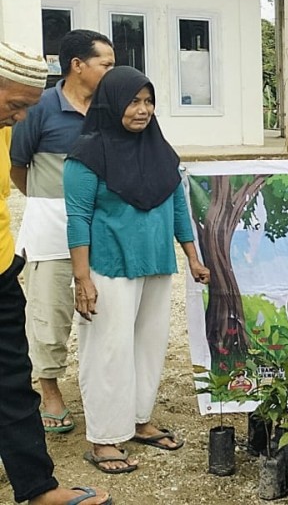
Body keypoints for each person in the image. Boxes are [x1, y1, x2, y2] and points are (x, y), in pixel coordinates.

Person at [64, 66, 211, 474]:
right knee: (108, 351)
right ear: (112, 103)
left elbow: (178, 207)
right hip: (109, 268)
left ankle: (139, 421)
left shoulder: (161, 151)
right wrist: (82, 279)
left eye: (148, 101)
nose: (142, 109)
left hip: (155, 266)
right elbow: (77, 218)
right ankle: (104, 437)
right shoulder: (87, 154)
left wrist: (192, 258)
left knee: (149, 346)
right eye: (133, 101)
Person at [0, 41, 112, 505]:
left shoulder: (4, 128)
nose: (22, 116)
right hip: (40, 241)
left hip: (2, 268)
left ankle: (37, 488)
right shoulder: (38, 117)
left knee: (11, 380)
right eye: (17, 104)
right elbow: (26, 172)